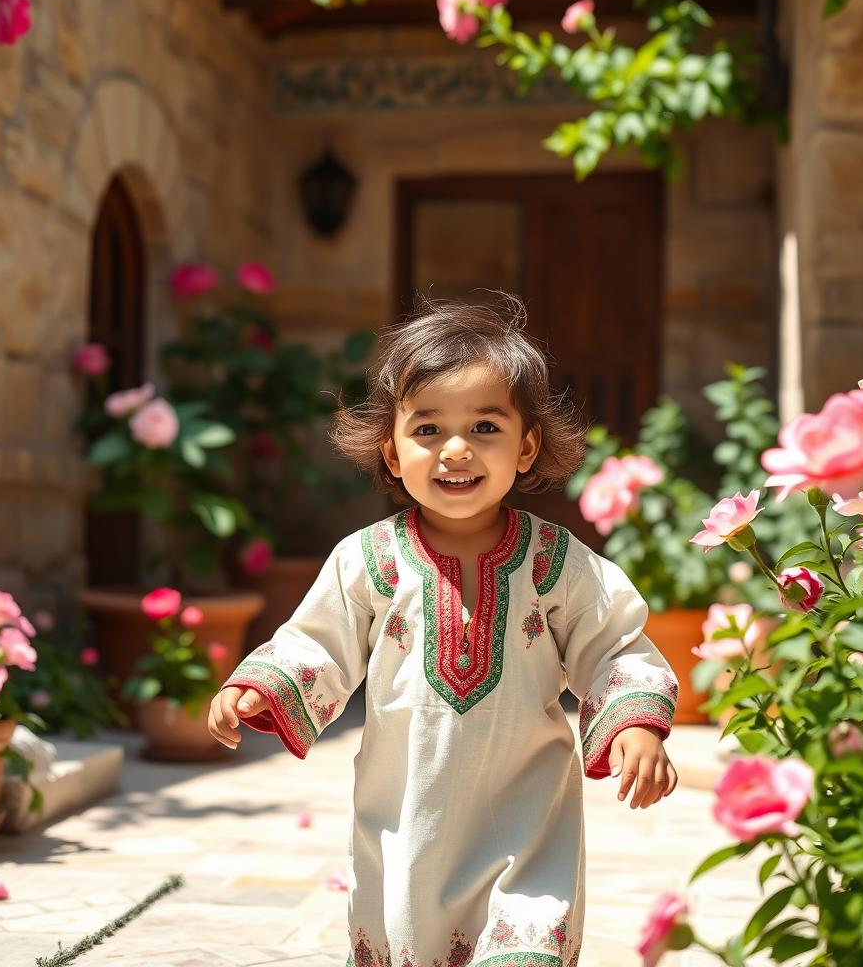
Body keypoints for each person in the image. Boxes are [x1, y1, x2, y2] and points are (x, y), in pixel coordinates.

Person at [208, 295, 680, 967]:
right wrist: (264, 686)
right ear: (392, 452)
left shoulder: (556, 563)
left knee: (524, 950)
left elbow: (615, 645)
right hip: (405, 830)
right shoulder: (367, 559)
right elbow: (317, 643)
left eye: (485, 426)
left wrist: (635, 724)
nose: (456, 449)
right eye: (428, 429)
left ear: (526, 446)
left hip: (528, 828)